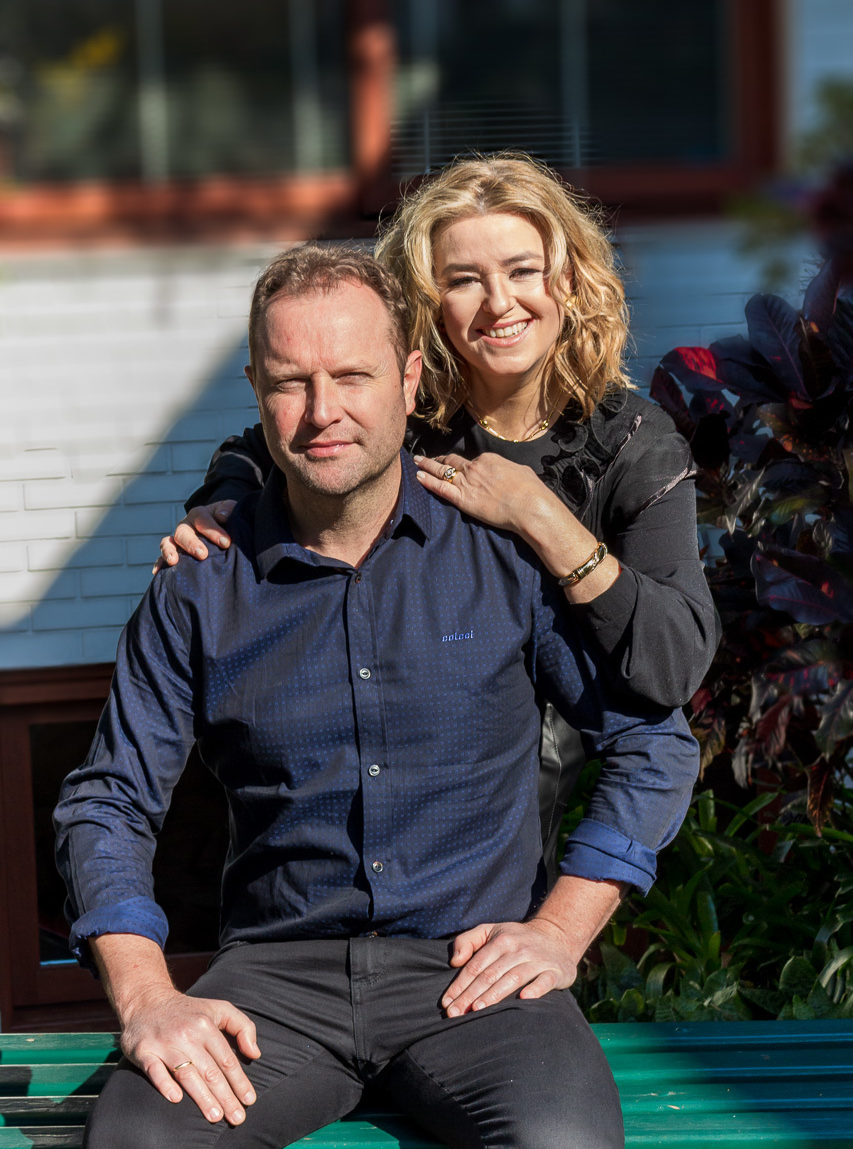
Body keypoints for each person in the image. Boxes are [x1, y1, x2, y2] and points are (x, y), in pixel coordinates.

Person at [56, 244, 699, 1149]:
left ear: (407, 377)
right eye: (291, 382)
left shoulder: (505, 556)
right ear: (254, 389)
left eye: (352, 376)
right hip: (275, 986)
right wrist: (149, 995)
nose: (323, 412)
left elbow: (653, 743)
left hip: (474, 979)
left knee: (563, 1142)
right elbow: (107, 800)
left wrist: (559, 931)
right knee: (135, 1142)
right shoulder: (200, 583)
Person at [159, 154, 718, 874]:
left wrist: (540, 516)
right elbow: (259, 449)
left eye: (522, 270)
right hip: (393, 748)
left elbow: (671, 667)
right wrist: (217, 512)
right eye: (462, 280)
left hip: (550, 777)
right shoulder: (402, 411)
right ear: (426, 301)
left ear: (569, 279)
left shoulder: (633, 446)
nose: (498, 303)